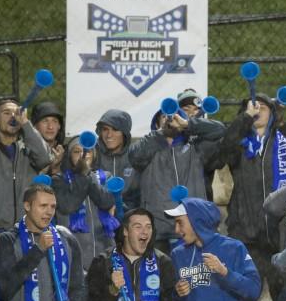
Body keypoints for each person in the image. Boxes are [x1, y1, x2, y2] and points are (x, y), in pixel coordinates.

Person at [218, 95, 286, 301]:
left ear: (273, 114)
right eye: (252, 108)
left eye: (263, 107)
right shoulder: (238, 147)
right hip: (246, 236)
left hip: (279, 236)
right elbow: (221, 151)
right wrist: (245, 119)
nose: (258, 110)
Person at [130, 101, 226, 249]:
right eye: (164, 116)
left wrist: (187, 125)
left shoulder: (196, 147)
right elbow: (134, 156)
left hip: (192, 227)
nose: (169, 119)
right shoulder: (147, 147)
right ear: (156, 123)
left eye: (175, 117)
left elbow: (220, 131)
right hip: (158, 230)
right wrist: (162, 133)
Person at [0, 95, 53, 231]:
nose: (13, 117)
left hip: (26, 229)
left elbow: (45, 158)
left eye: (16, 113)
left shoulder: (28, 151)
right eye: (6, 113)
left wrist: (26, 123)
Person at [51, 135, 118, 270]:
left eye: (88, 151)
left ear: (94, 155)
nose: (83, 155)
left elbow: (106, 202)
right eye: (77, 151)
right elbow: (68, 206)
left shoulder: (107, 177)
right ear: (69, 156)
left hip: (104, 247)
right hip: (73, 251)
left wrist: (88, 174)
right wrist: (83, 175)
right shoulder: (59, 180)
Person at [177, 88, 223, 201]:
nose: (192, 114)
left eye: (197, 110)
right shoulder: (171, 134)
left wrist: (188, 124)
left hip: (202, 199)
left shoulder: (207, 134)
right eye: (186, 109)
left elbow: (222, 129)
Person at [92, 109, 140, 211]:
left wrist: (123, 210)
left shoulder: (136, 155)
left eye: (115, 129)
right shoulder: (92, 155)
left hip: (130, 218)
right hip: (98, 218)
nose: (109, 135)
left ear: (124, 133)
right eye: (105, 129)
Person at [31, 101, 66, 176]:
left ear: (59, 126)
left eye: (54, 121)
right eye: (45, 121)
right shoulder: (25, 153)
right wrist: (50, 168)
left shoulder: (67, 153)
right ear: (34, 126)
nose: (50, 127)